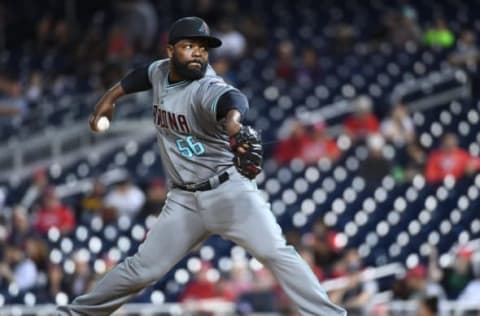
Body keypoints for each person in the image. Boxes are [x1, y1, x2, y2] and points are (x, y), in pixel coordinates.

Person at [57, 17, 346, 316]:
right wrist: (109, 99)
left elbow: (232, 99)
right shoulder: (160, 71)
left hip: (228, 192)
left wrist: (234, 123)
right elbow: (140, 76)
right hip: (183, 201)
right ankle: (71, 315)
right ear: (170, 51)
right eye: (189, 46)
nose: (198, 53)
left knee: (276, 252)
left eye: (203, 49)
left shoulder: (205, 86)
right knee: (141, 270)